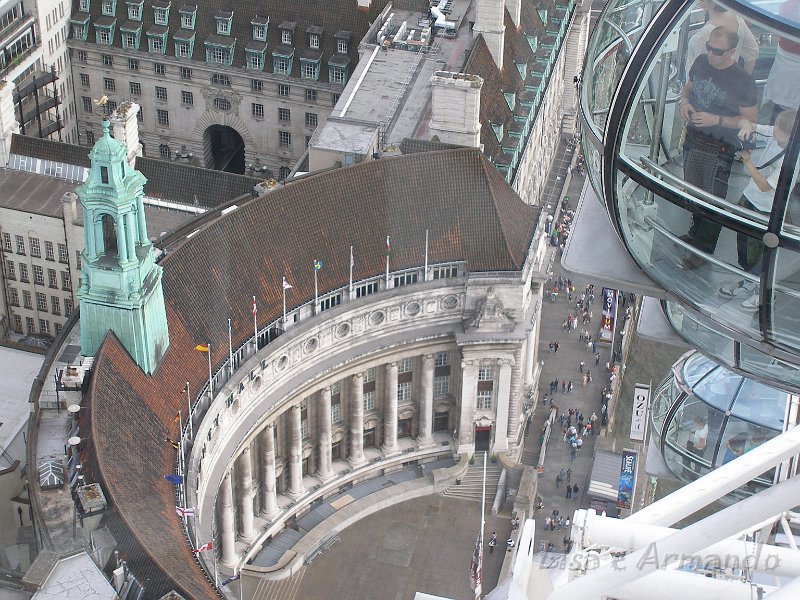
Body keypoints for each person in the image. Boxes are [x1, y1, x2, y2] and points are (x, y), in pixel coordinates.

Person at [679, 26, 758, 269]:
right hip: (694, 138)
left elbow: (750, 122)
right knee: (694, 193)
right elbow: (689, 89)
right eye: (709, 48)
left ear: (732, 52)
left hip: (720, 146)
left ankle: (701, 252)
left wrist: (717, 120)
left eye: (717, 51)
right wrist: (684, 103)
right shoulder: (702, 63)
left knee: (713, 202)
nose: (711, 53)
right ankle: (695, 237)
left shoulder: (743, 81)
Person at [718, 110, 797, 309]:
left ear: (791, 136)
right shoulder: (775, 133)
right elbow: (750, 123)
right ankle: (748, 282)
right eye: (776, 127)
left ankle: (763, 292)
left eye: (780, 130)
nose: (774, 132)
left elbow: (765, 186)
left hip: (767, 210)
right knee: (743, 245)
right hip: (750, 199)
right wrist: (747, 126)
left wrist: (747, 162)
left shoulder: (792, 162)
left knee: (759, 253)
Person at [685, 0, 759, 75]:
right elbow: (753, 51)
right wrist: (743, 81)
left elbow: (697, 75)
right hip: (730, 83)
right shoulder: (736, 18)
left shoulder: (704, 34)